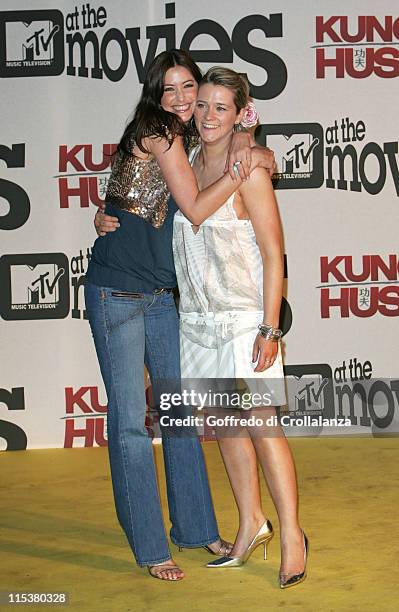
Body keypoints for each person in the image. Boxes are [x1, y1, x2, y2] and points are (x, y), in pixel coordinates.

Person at [85, 49, 275, 581]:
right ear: (155, 95)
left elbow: (241, 136)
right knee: (129, 426)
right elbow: (193, 207)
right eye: (169, 89)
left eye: (188, 86)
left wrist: (248, 146)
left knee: (182, 418)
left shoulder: (194, 138)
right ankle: (150, 546)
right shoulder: (161, 132)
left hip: (164, 298)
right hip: (117, 294)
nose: (182, 98)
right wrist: (246, 165)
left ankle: (194, 529)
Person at [171, 67, 308, 589]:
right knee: (226, 429)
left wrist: (270, 329)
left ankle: (292, 534)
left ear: (240, 114)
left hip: (245, 318)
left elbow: (274, 253)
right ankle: (251, 524)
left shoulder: (248, 167)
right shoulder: (181, 161)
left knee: (263, 426)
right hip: (197, 321)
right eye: (201, 104)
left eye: (220, 107)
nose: (207, 115)